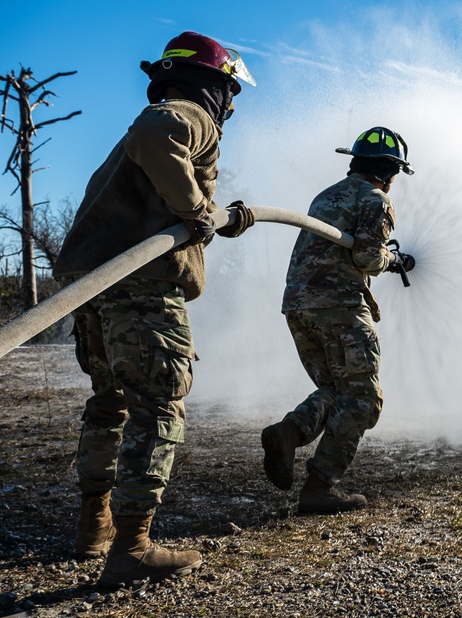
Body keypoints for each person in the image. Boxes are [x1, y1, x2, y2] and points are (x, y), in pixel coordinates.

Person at [52, 31, 257, 586]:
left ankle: (94, 525)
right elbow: (155, 133)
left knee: (110, 400)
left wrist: (215, 213)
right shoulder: (190, 113)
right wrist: (195, 208)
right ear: (216, 84)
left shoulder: (150, 128)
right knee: (160, 402)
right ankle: (132, 546)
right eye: (232, 90)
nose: (233, 105)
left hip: (96, 282)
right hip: (139, 284)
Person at [261, 126, 415, 514]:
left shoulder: (326, 195)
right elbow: (367, 258)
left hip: (298, 306)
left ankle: (289, 432)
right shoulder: (376, 199)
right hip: (340, 308)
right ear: (390, 171)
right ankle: (319, 487)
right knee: (362, 399)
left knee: (335, 390)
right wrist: (394, 261)